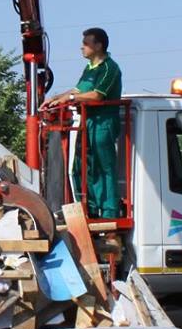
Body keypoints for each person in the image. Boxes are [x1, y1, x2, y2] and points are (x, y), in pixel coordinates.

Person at [46, 27, 125, 218]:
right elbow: (78, 89)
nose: (82, 47)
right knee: (87, 164)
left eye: (86, 43)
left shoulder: (109, 68)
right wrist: (56, 97)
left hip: (103, 122)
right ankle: (91, 207)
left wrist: (70, 98)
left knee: (104, 165)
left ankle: (109, 211)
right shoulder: (89, 69)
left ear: (98, 45)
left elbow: (96, 95)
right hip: (88, 122)